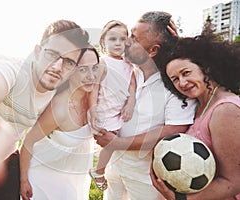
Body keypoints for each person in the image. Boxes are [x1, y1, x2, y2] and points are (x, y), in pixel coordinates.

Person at [0, 19, 92, 200]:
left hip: (8, 163)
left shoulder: (60, 89)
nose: (57, 67)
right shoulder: (13, 69)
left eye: (68, 61)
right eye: (52, 54)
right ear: (37, 51)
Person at [93, 11, 197, 200]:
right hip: (115, 167)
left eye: (134, 38)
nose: (126, 42)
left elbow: (174, 128)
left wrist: (118, 143)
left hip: (144, 179)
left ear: (152, 51)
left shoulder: (175, 84)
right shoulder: (129, 68)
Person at [150, 36, 240, 200]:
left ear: (206, 68)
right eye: (175, 79)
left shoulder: (226, 110)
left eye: (186, 73)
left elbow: (234, 181)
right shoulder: (197, 104)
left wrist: (181, 199)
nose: (182, 83)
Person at [19, 46, 102, 200]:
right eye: (83, 70)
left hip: (68, 181)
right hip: (41, 178)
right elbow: (28, 143)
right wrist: (23, 181)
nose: (91, 76)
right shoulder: (59, 109)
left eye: (94, 68)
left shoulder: (91, 97)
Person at [88, 20, 136, 191]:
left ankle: (104, 170)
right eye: (112, 39)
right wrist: (92, 108)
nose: (117, 43)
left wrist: (130, 104)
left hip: (118, 110)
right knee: (110, 142)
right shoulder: (103, 62)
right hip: (104, 109)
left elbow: (132, 86)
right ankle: (98, 171)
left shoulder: (129, 64)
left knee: (115, 141)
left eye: (122, 39)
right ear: (104, 42)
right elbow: (95, 87)